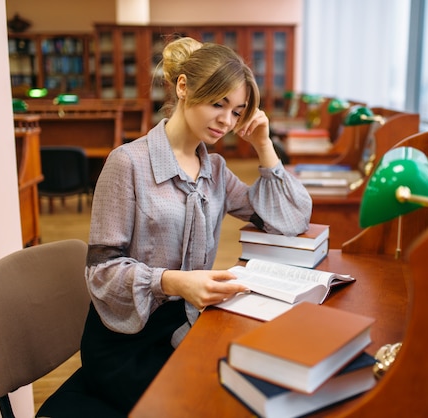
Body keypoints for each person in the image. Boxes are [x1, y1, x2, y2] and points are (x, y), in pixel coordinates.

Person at [79, 37, 312, 414]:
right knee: (211, 402)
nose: (227, 121)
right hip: (127, 342)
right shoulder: (128, 163)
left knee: (254, 389)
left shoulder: (215, 170)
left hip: (188, 325)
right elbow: (100, 273)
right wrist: (171, 281)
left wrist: (264, 146)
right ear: (183, 87)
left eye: (237, 112)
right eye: (218, 103)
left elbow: (290, 219)